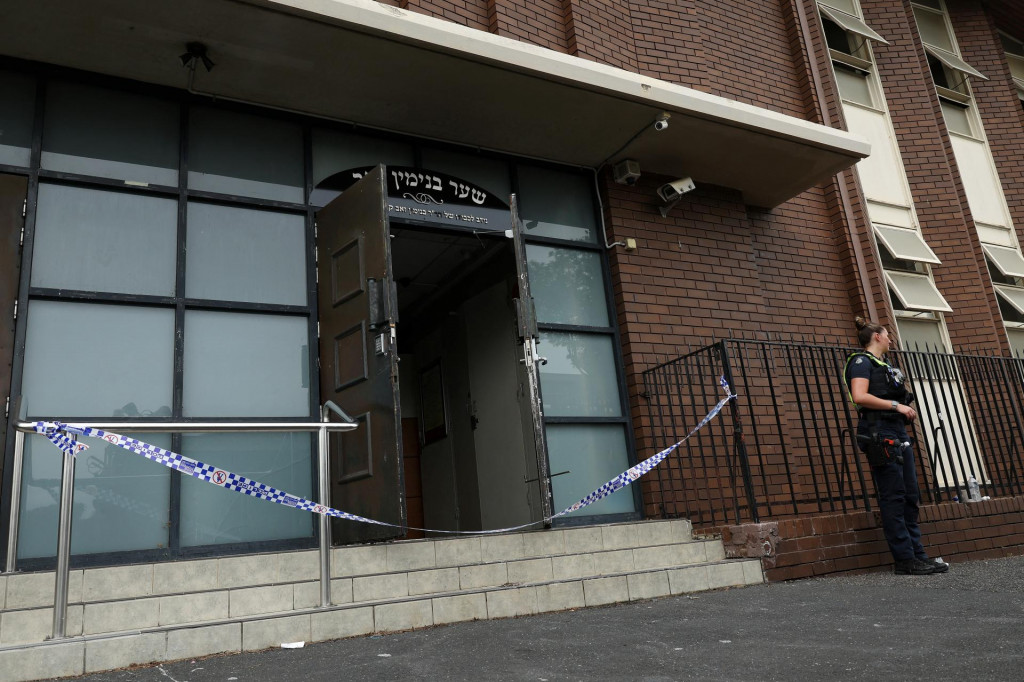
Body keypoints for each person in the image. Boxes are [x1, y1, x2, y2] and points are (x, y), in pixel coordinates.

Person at [844, 317, 948, 576]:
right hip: (880, 432)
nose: (891, 338)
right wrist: (896, 405)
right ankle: (904, 559)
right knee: (894, 497)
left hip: (898, 430)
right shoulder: (860, 362)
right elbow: (859, 396)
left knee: (910, 496)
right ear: (877, 337)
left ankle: (918, 556)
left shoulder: (886, 364)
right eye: (887, 334)